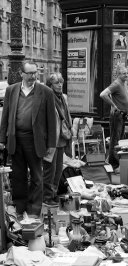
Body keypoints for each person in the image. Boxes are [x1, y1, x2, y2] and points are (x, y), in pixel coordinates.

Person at [0, 61, 57, 218]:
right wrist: (1, 140)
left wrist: (51, 144)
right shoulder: (11, 90)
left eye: (35, 73)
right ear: (22, 74)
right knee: (18, 176)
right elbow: (5, 117)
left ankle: (33, 210)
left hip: (35, 141)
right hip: (16, 139)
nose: (33, 76)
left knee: (37, 177)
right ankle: (20, 208)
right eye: (29, 73)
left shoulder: (45, 92)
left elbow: (52, 121)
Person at [42, 73, 72, 206]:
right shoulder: (47, 98)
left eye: (61, 82)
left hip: (62, 139)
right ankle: (46, 196)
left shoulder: (63, 98)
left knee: (58, 170)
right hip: (51, 140)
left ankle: (53, 194)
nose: (60, 85)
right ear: (50, 85)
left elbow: (67, 116)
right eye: (56, 83)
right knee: (50, 170)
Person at [100, 65, 128, 173]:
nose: (126, 75)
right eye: (124, 73)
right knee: (115, 140)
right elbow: (103, 94)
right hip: (117, 115)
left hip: (121, 115)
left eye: (127, 73)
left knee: (119, 139)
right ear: (118, 75)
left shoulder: (123, 83)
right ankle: (114, 165)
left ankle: (114, 164)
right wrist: (113, 105)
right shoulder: (116, 84)